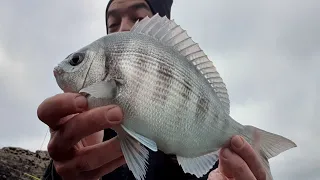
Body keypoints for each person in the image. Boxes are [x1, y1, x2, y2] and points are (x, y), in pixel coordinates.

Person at [39, 0, 267, 179]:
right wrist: (62, 175)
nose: (125, 29)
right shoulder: (87, 135)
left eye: (139, 17)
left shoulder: (219, 162)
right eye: (112, 25)